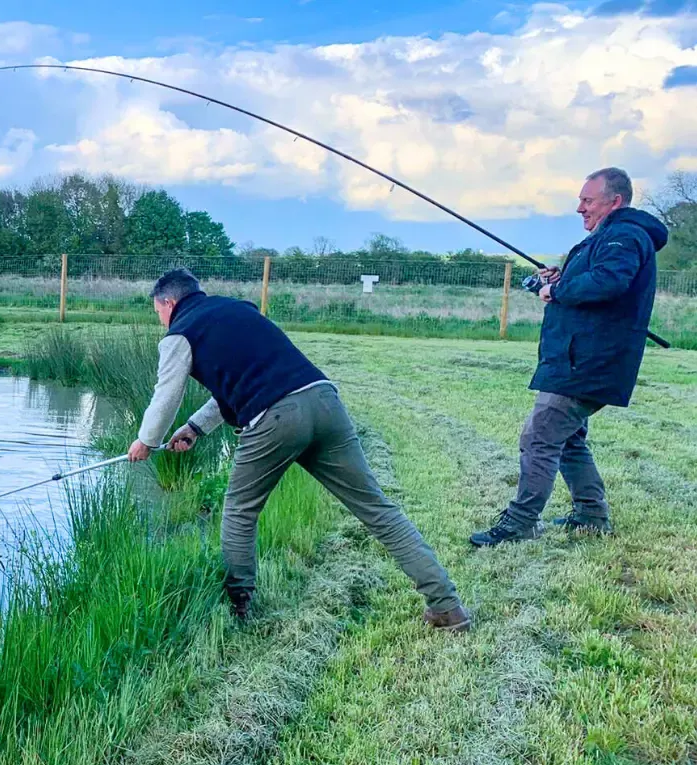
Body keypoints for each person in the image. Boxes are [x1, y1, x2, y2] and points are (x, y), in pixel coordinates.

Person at [126, 268, 470, 630]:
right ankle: (447, 607)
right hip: (325, 401)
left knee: (240, 511)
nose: (161, 320)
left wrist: (146, 441)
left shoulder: (179, 332)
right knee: (378, 510)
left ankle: (237, 609)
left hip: (276, 418)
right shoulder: (239, 310)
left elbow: (166, 393)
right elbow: (251, 376)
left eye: (158, 312)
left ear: (169, 302)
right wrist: (195, 427)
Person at [470, 167, 669, 547]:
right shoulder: (612, 236)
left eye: (587, 200)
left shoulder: (624, 235)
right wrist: (560, 279)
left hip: (588, 363)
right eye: (580, 200)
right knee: (569, 439)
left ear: (615, 201)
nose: (580, 208)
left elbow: (609, 282)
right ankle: (592, 515)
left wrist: (555, 292)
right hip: (581, 359)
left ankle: (521, 522)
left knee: (540, 436)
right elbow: (596, 280)